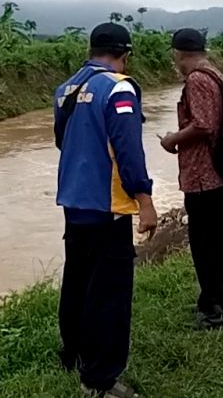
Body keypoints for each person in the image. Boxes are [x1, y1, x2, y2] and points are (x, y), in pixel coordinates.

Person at [54, 22, 157, 398]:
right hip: (107, 205)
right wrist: (144, 199)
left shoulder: (67, 88)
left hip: (73, 199)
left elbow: (61, 141)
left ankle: (74, 354)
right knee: (110, 290)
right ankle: (100, 379)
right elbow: (128, 149)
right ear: (124, 54)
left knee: (78, 279)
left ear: (92, 49)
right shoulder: (119, 88)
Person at [160, 28, 223, 329]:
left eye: (174, 55)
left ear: (179, 53)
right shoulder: (214, 73)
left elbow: (203, 126)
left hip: (205, 177)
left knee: (205, 243)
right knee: (216, 242)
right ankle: (219, 301)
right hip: (220, 173)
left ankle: (213, 310)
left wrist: (172, 139)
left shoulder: (197, 79)